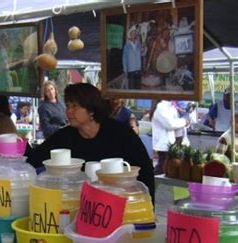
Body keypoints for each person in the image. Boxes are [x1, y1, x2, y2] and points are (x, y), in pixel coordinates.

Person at [26, 83, 155, 203]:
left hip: (120, 204)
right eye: (68, 106)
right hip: (80, 205)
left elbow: (145, 171)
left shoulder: (120, 133)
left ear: (91, 110)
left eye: (75, 106)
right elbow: (34, 158)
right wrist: (19, 144)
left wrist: (148, 205)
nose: (69, 111)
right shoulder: (64, 136)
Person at [151, 100, 189, 175]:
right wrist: (184, 121)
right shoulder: (161, 107)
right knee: (162, 170)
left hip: (173, 144)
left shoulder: (171, 106)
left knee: (169, 170)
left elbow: (176, 122)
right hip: (165, 145)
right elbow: (170, 124)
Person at [122, 26, 145, 90]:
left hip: (138, 70)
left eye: (135, 33)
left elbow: (143, 54)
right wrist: (125, 70)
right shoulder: (127, 46)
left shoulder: (139, 45)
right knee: (131, 89)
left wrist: (144, 49)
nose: (134, 35)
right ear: (130, 35)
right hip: (131, 71)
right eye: (132, 33)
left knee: (138, 89)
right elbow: (124, 59)